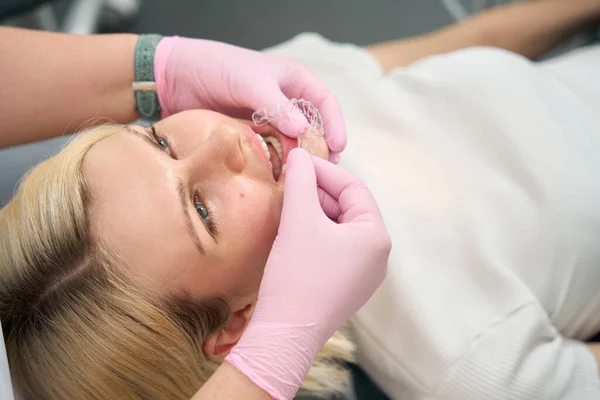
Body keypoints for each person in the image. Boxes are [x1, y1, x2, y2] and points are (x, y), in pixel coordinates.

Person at [3, 0, 600, 399]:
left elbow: (466, 42)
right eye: (203, 210)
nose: (221, 138)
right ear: (239, 329)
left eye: (158, 139)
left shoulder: (277, 94)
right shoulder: (463, 363)